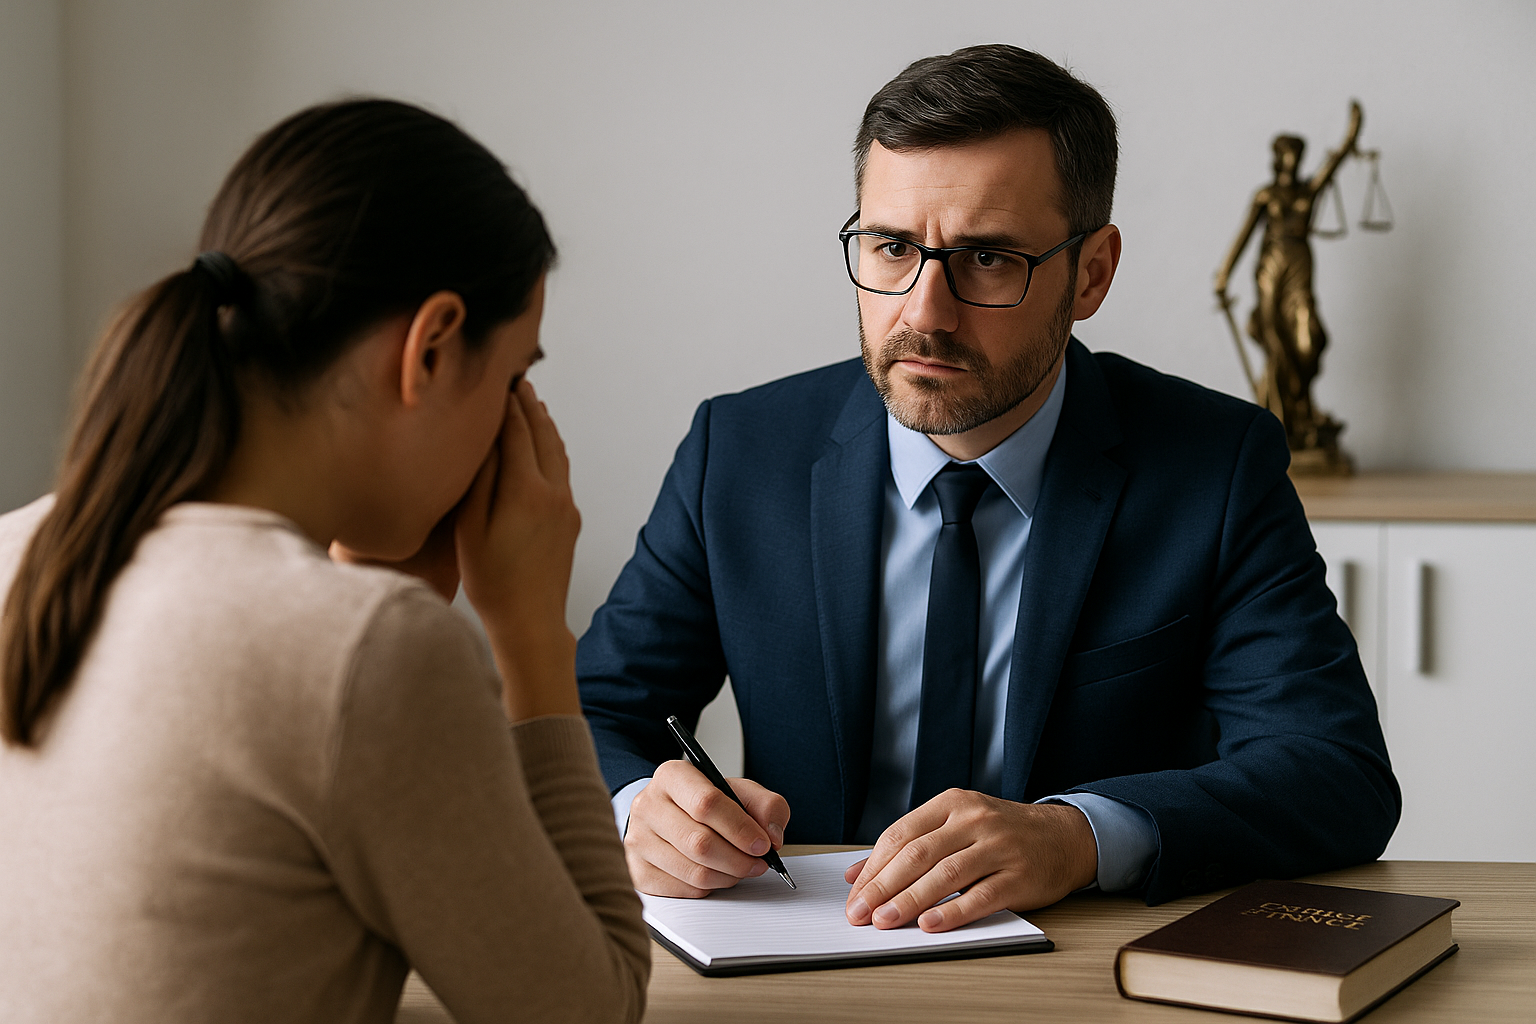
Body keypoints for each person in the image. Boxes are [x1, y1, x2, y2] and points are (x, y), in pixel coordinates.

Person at [577, 45, 1399, 933]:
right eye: (892, 247)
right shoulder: (737, 453)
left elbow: (1334, 770)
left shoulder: (1215, 465)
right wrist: (638, 808)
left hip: (1083, 965)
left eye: (989, 260)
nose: (925, 310)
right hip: (799, 951)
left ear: (1091, 273)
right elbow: (595, 709)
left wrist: (1077, 836)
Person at [0, 100, 648, 1023]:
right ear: (429, 347)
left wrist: (375, 597)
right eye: (511, 379)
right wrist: (534, 636)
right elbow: (591, 1009)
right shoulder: (373, 650)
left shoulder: (18, 550)